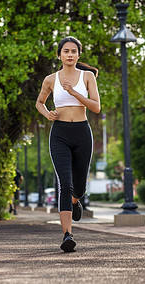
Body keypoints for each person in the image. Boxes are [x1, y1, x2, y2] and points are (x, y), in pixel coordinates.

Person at [35, 36, 100, 252]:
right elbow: (39, 102)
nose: (70, 54)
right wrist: (47, 114)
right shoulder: (50, 79)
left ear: (79, 55)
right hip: (60, 133)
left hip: (82, 132)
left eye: (73, 51)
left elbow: (96, 107)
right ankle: (67, 235)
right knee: (65, 183)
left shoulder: (87, 76)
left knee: (79, 187)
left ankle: (75, 201)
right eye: (66, 51)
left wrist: (73, 92)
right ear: (59, 55)